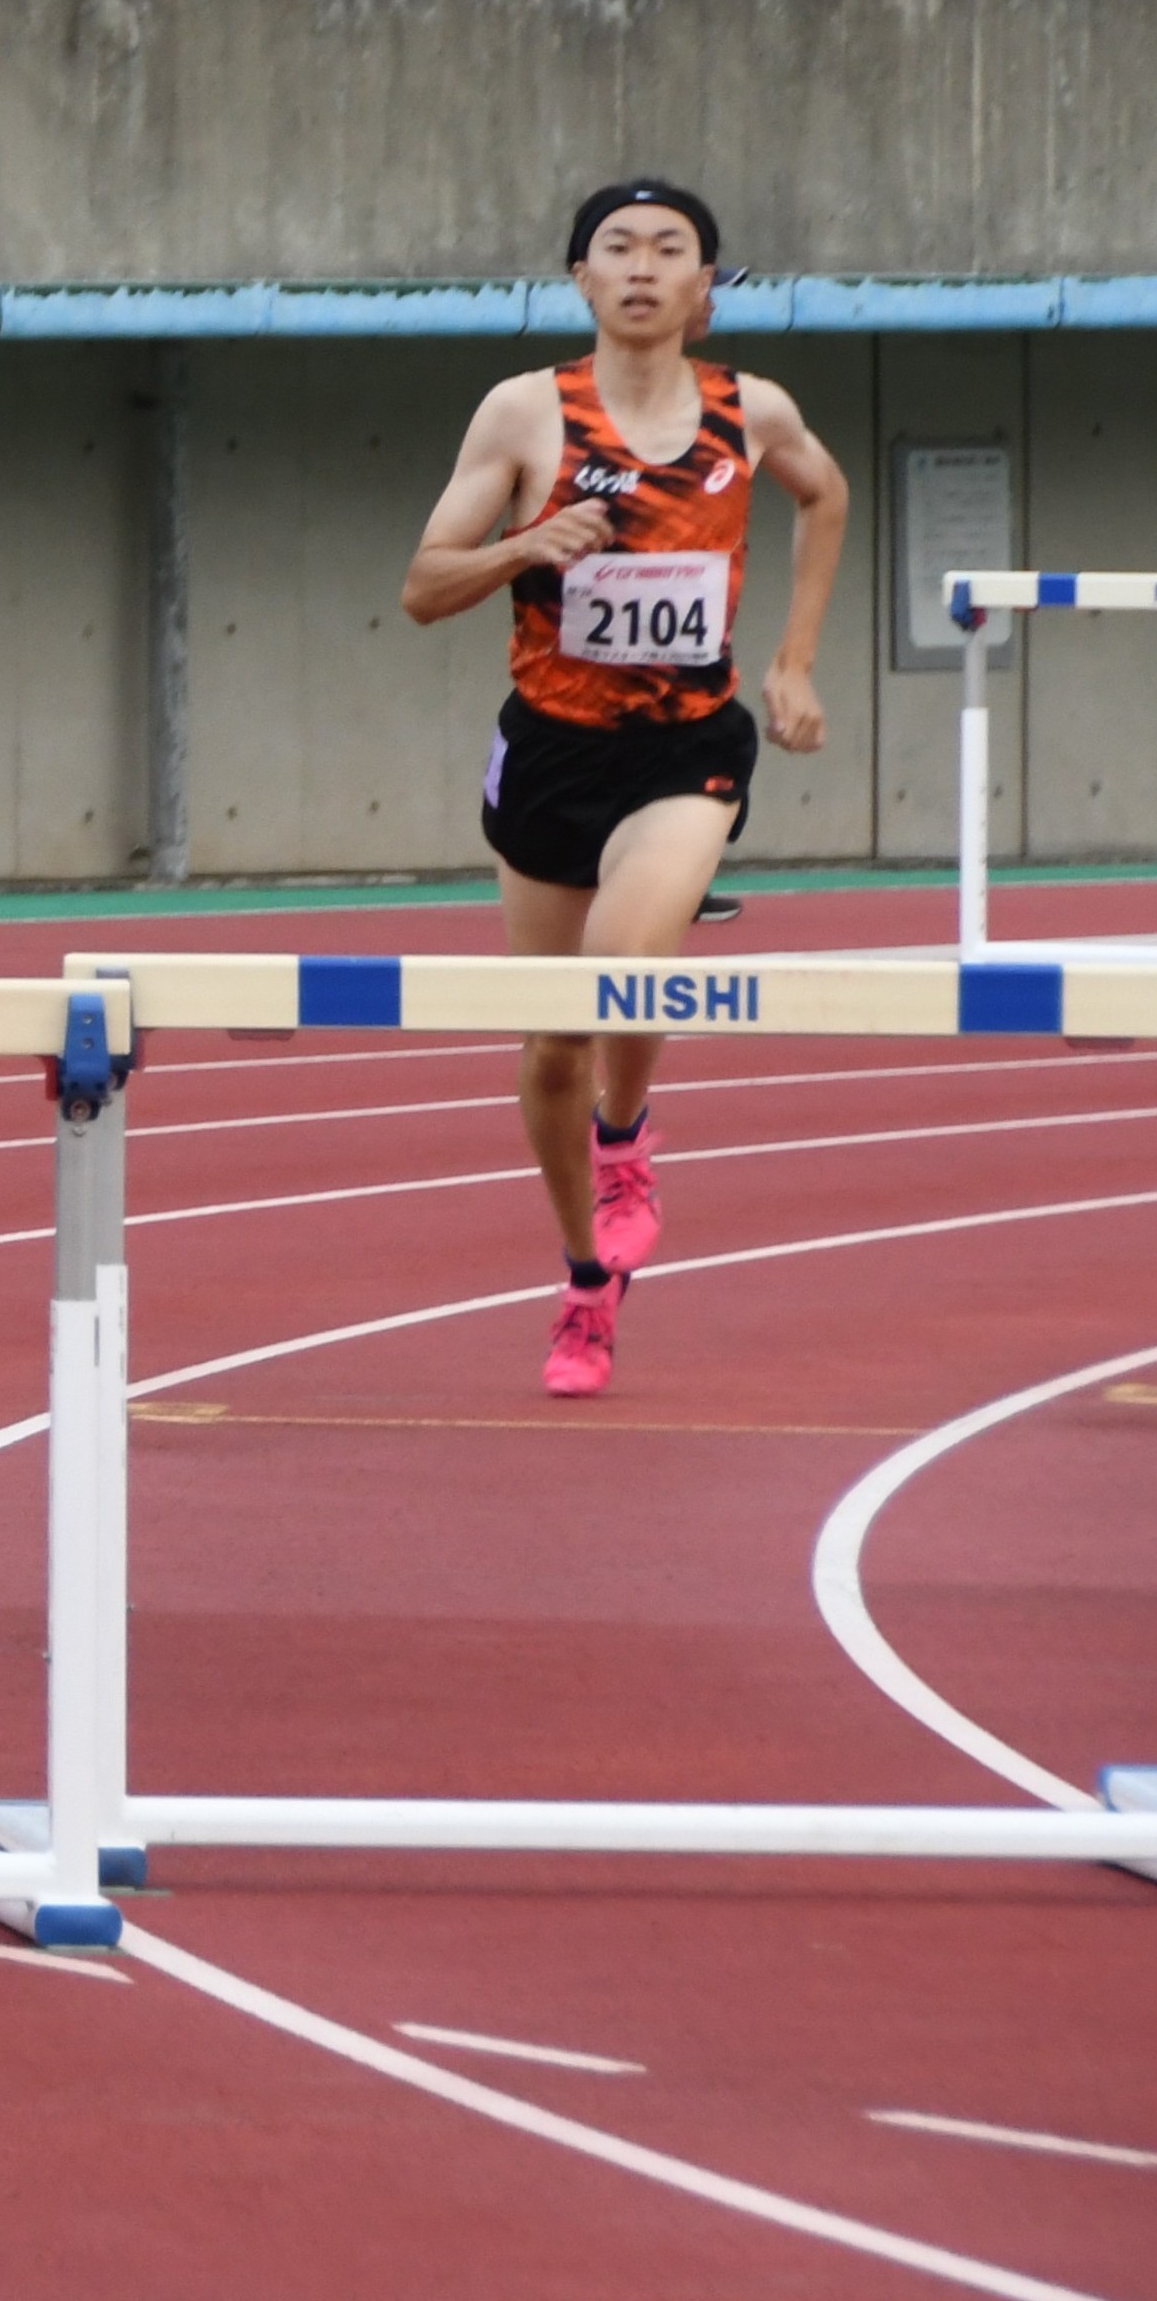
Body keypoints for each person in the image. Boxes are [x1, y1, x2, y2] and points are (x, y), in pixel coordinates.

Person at [401, 179, 848, 1399]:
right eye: (618, 248)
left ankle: (625, 1139)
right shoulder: (524, 414)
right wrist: (522, 545)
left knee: (627, 957)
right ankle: (586, 1282)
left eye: (671, 250)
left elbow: (826, 494)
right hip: (552, 751)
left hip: (682, 748)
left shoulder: (750, 411)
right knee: (552, 1043)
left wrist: (794, 663)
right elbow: (425, 586)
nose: (643, 267)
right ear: (582, 280)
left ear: (705, 290)